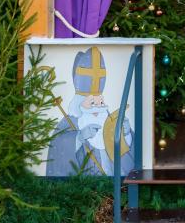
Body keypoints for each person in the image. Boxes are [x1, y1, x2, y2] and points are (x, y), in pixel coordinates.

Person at [46, 47, 134, 176]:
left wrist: (126, 134)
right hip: (85, 186)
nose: (97, 108)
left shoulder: (110, 120)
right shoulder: (69, 122)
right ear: (79, 104)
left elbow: (128, 159)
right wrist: (79, 137)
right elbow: (58, 149)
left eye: (100, 102)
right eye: (92, 102)